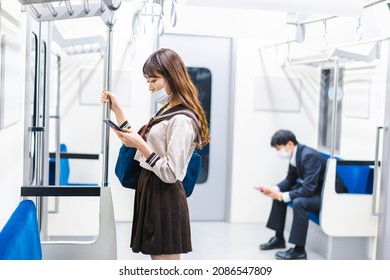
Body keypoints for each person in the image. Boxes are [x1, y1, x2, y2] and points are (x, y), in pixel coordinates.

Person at [101, 48, 210, 260]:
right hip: (152, 190)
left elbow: (170, 172)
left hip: (164, 195)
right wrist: (117, 110)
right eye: (147, 82)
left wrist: (140, 145)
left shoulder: (182, 120)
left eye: (153, 81)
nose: (150, 87)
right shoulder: (166, 109)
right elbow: (148, 140)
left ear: (171, 76)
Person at [256, 129, 326, 260]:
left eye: (278, 149)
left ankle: (299, 250)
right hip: (314, 191)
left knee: (299, 202)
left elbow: (309, 188)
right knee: (278, 195)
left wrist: (284, 195)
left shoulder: (308, 156)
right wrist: (273, 189)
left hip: (326, 197)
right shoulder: (296, 156)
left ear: (289, 144)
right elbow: (289, 180)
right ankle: (279, 238)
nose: (278, 152)